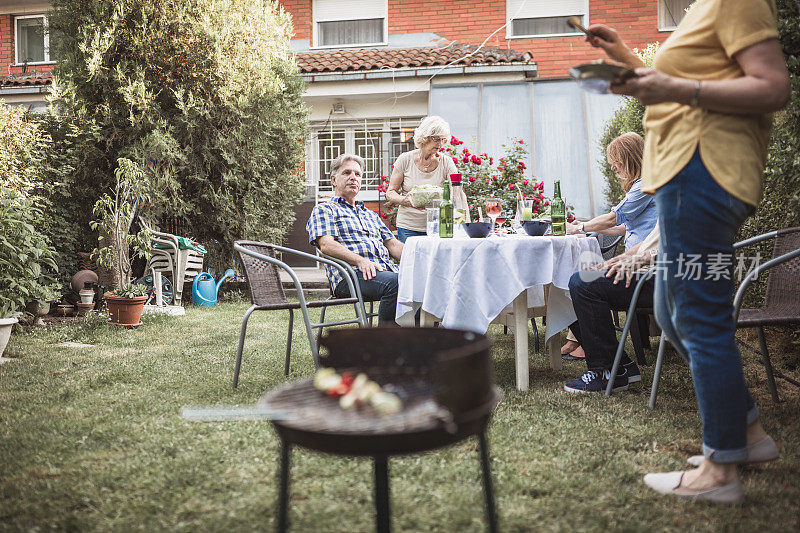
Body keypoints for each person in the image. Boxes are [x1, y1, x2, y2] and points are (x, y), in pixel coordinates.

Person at [585, 0, 790, 504]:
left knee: (696, 317)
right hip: (682, 174)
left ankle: (720, 471)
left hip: (705, 173)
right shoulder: (702, 11)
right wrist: (627, 58)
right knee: (671, 314)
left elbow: (772, 86)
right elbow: (672, 92)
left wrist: (674, 86)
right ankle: (747, 435)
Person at [562, 131, 657, 360]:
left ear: (631, 158)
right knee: (578, 278)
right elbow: (623, 228)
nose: (613, 168)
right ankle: (584, 342)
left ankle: (600, 356)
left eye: (617, 162)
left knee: (579, 281)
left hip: (648, 267)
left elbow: (615, 218)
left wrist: (580, 229)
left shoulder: (646, 185)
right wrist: (585, 226)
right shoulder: (645, 184)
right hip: (643, 262)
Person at [307, 154, 404, 325]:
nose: (353, 177)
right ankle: (387, 347)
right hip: (350, 275)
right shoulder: (324, 210)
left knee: (422, 282)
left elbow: (393, 244)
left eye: (357, 174)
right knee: (396, 284)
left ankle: (417, 344)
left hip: (382, 271)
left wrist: (423, 259)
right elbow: (326, 245)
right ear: (334, 180)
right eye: (347, 173)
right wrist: (361, 261)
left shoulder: (370, 215)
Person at [563, 224, 659, 394]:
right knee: (571, 283)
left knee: (583, 284)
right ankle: (621, 365)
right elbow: (650, 242)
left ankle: (605, 371)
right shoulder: (676, 201)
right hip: (646, 271)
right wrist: (616, 260)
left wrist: (645, 258)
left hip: (666, 277)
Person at [385, 116, 468, 242]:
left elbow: (458, 193)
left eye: (443, 140)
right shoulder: (405, 159)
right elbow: (390, 192)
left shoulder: (447, 163)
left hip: (438, 227)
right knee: (413, 261)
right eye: (436, 139)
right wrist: (405, 200)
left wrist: (466, 225)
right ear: (425, 137)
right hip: (408, 227)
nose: (440, 144)